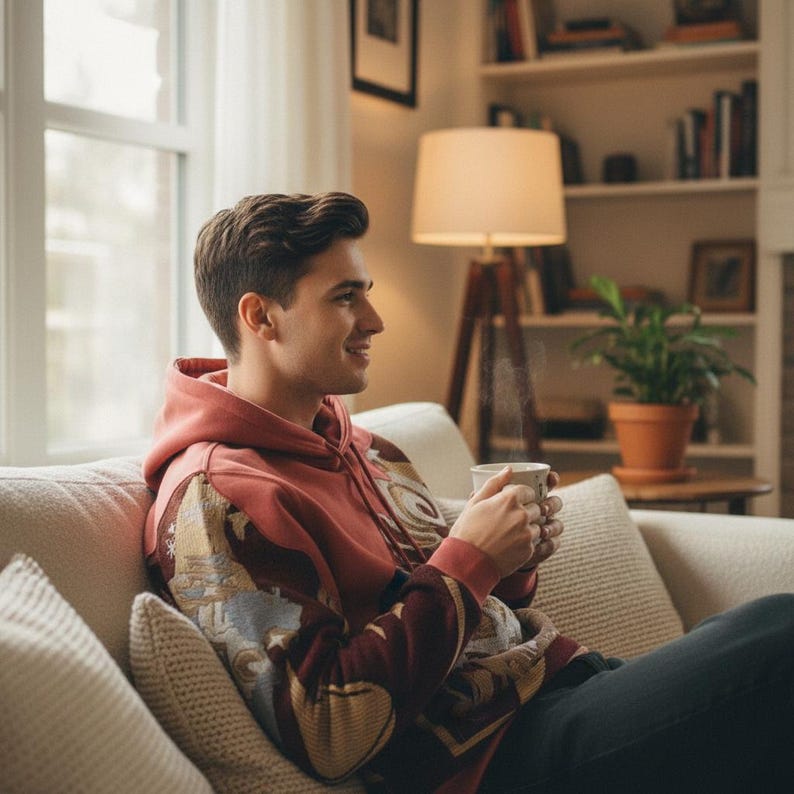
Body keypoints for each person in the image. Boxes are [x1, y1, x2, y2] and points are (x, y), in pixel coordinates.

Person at [144, 192, 794, 793]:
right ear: (260, 316)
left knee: (769, 641)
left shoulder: (365, 447)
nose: (374, 320)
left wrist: (509, 564)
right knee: (777, 646)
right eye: (345, 297)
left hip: (556, 688)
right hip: (489, 758)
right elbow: (329, 728)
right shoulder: (219, 498)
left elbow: (459, 609)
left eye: (366, 293)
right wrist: (471, 559)